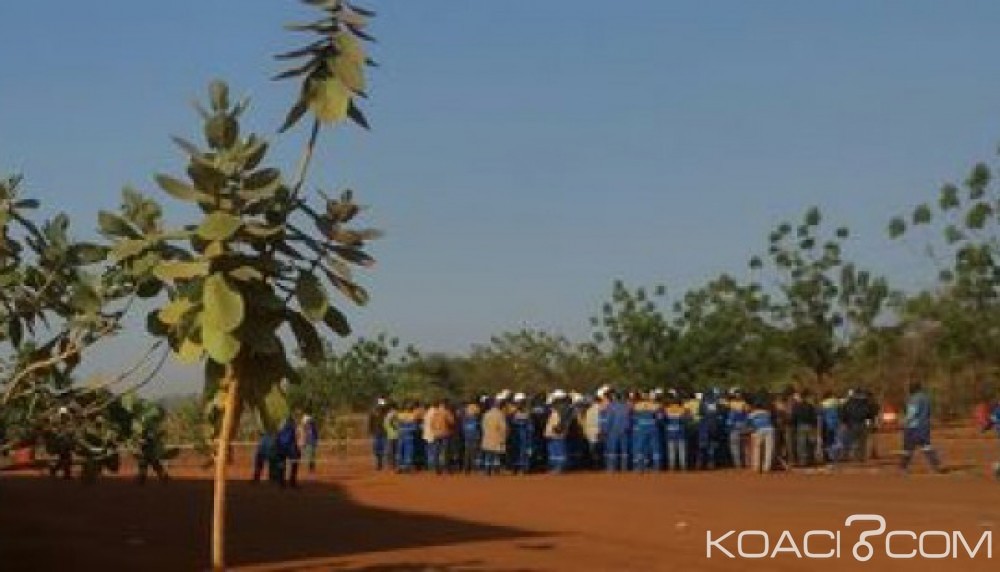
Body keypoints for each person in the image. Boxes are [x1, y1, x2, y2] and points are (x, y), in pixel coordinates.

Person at [900, 382, 943, 474]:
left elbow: (912, 413)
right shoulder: (926, 398)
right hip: (924, 426)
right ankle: (935, 466)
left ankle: (903, 468)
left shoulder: (914, 399)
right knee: (926, 446)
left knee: (907, 448)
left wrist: (904, 421)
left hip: (913, 427)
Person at [632, 391, 663, 472]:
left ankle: (640, 467)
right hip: (653, 428)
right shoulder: (656, 406)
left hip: (641, 428)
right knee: (655, 447)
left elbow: (634, 418)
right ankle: (656, 467)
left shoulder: (637, 406)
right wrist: (655, 422)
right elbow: (660, 418)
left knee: (640, 447)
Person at [840, 388, 871, 463]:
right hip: (862, 423)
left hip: (851, 424)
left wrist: (844, 422)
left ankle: (852, 456)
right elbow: (868, 413)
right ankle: (861, 457)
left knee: (852, 441)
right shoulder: (865, 402)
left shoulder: (848, 403)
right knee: (862, 442)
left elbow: (843, 413)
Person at [604, 390, 631, 472]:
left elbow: (609, 420)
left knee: (612, 450)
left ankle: (611, 468)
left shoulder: (611, 406)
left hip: (613, 431)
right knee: (624, 451)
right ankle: (624, 468)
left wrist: (605, 430)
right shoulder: (626, 406)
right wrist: (627, 428)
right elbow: (628, 419)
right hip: (624, 431)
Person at [544, 390, 570, 473]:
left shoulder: (563, 409)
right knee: (554, 452)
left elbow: (563, 422)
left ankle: (559, 468)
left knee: (559, 452)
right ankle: (555, 467)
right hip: (553, 434)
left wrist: (558, 427)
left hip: (557, 434)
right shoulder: (557, 409)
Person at [427, 399, 456, 475]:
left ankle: (437, 469)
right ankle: (447, 469)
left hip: (436, 434)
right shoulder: (446, 412)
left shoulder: (435, 413)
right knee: (446, 451)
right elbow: (452, 422)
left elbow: (431, 424)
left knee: (436, 451)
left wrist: (434, 430)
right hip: (445, 434)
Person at [748, 394, 775, 473]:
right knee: (769, 449)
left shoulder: (752, 414)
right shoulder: (767, 413)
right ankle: (767, 468)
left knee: (757, 448)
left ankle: (757, 467)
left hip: (759, 430)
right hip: (770, 429)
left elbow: (749, 424)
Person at [790, 389, 817, 467]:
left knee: (802, 445)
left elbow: (794, 417)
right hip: (810, 426)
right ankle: (811, 459)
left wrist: (794, 426)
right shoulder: (810, 405)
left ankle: (803, 461)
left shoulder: (796, 406)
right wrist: (814, 426)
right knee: (810, 443)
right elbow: (813, 417)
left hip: (800, 426)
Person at [481, 398, 508, 475]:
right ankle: (496, 470)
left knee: (488, 455)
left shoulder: (486, 414)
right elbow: (503, 427)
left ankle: (487, 470)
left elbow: (483, 426)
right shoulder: (500, 414)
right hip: (497, 437)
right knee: (496, 455)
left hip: (487, 437)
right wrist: (504, 436)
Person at [510, 393, 534, 474]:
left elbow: (530, 427)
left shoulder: (525, 413)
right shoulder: (513, 413)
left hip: (522, 436)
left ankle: (521, 468)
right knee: (517, 452)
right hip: (517, 436)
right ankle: (517, 468)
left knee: (523, 452)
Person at [663, 395, 689, 471]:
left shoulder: (666, 410)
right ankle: (683, 467)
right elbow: (687, 420)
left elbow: (662, 420)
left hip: (670, 432)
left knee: (671, 451)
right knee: (682, 451)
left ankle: (671, 467)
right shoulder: (684, 410)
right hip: (681, 433)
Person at [726, 389, 750, 468]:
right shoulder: (745, 403)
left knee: (735, 446)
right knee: (744, 446)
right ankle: (746, 463)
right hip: (743, 425)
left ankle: (738, 464)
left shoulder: (730, 403)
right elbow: (748, 414)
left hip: (735, 425)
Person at [276, 416, 301, 487]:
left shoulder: (281, 428)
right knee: (295, 463)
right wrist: (297, 450)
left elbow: (277, 439)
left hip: (281, 450)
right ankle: (292, 482)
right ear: (292, 422)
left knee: (281, 465)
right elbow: (294, 440)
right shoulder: (292, 428)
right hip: (290, 449)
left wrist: (277, 449)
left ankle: (281, 482)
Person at [818, 391, 841, 466]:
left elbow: (820, 416)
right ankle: (834, 457)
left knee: (827, 442)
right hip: (836, 425)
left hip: (827, 425)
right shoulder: (836, 402)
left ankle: (828, 457)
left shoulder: (823, 404)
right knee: (835, 441)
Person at [460, 397, 483, 474]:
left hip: (467, 435)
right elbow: (479, 426)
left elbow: (463, 427)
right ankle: (474, 468)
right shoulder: (476, 417)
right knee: (474, 453)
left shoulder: (465, 417)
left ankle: (466, 468)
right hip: (475, 436)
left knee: (467, 452)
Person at [369, 399, 389, 470]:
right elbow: (370, 423)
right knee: (377, 448)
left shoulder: (386, 413)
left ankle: (382, 463)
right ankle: (379, 463)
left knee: (384, 448)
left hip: (384, 432)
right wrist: (371, 431)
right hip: (377, 432)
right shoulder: (373, 412)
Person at [383, 402, 400, 471]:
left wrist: (391, 428)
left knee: (390, 451)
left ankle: (390, 465)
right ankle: (395, 465)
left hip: (391, 435)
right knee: (396, 451)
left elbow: (386, 424)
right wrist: (395, 427)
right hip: (396, 434)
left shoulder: (390, 414)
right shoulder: (395, 413)